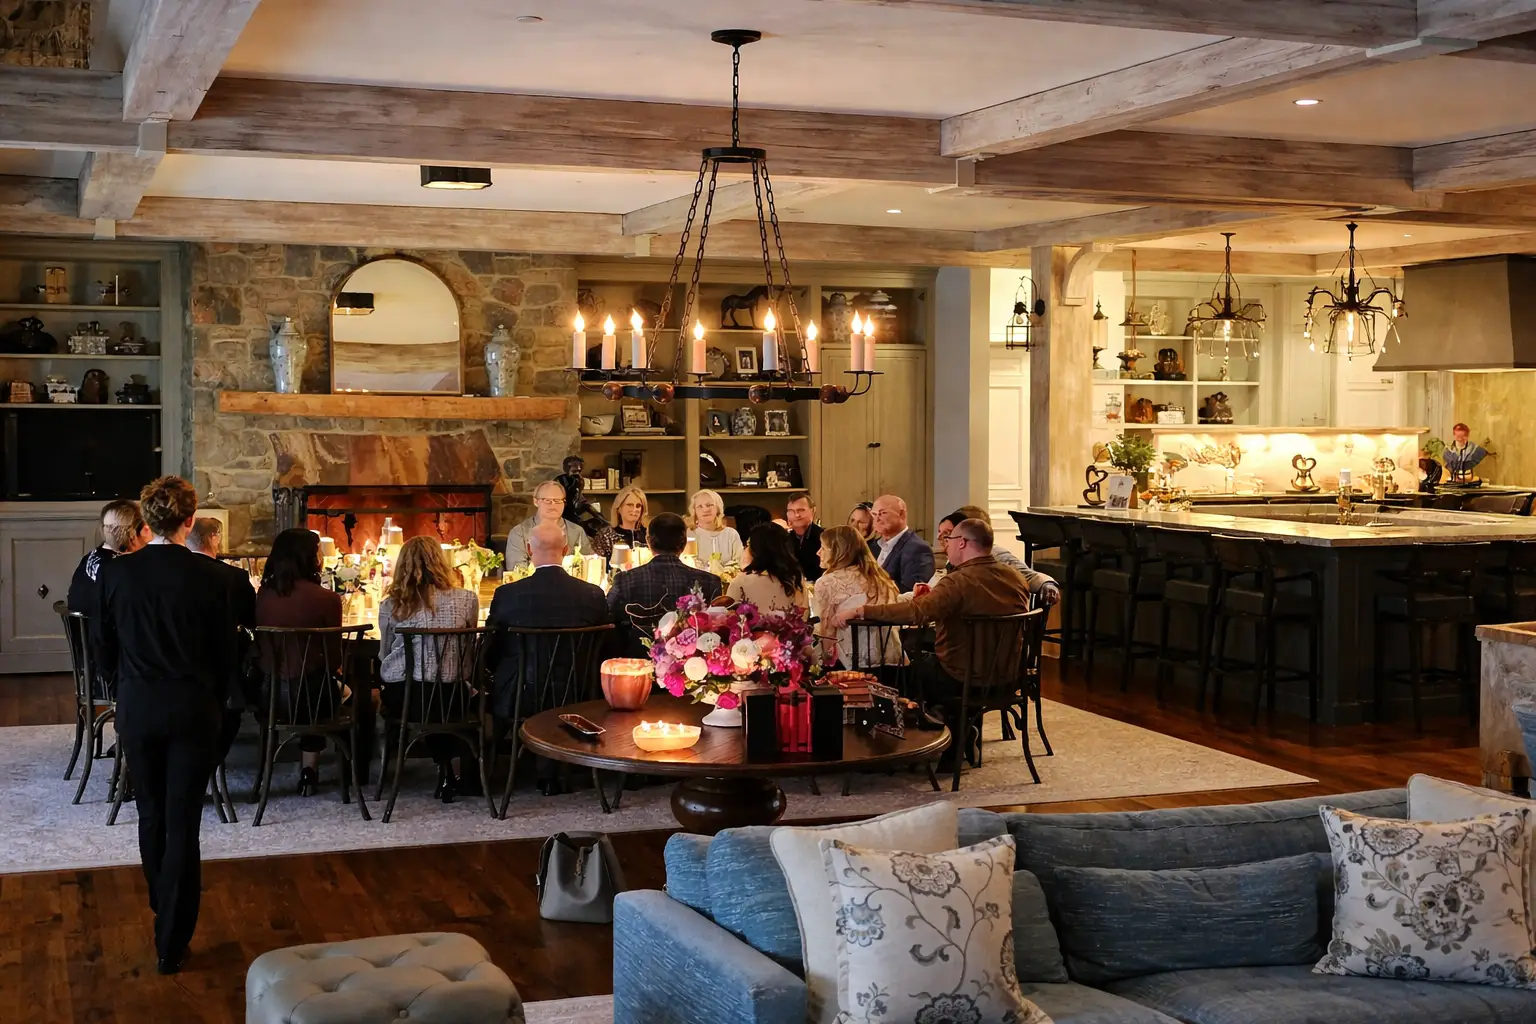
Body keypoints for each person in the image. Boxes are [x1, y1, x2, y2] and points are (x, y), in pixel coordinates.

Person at [96, 476, 236, 975]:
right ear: (190, 520)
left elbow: (104, 649)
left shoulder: (117, 574)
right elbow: (227, 657)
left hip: (138, 707)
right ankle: (171, 937)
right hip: (193, 708)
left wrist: (124, 686)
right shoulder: (215, 577)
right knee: (183, 820)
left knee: (151, 813)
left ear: (147, 520)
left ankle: (163, 906)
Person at [844, 518, 1031, 766]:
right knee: (927, 658)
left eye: (948, 539)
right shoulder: (1014, 577)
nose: (945, 546)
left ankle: (915, 744)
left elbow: (916, 612)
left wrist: (864, 611)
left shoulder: (958, 581)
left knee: (897, 671)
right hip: (1009, 678)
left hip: (962, 678)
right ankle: (959, 732)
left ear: (962, 543)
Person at [486, 521, 612, 795]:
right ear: (566, 550)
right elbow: (604, 649)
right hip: (578, 693)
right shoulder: (592, 595)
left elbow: (491, 649)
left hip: (520, 693)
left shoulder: (507, 595)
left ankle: (497, 766)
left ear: (529, 549)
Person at [378, 536, 481, 801]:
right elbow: (468, 649)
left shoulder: (391, 605)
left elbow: (384, 654)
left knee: (407, 694)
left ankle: (391, 771)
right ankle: (450, 770)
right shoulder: (467, 599)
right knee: (447, 700)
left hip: (408, 698)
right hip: (452, 695)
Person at [253, 529, 345, 797]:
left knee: (313, 687)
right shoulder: (328, 599)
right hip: (314, 697)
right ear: (310, 558)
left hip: (270, 696)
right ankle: (311, 771)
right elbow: (334, 660)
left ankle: (267, 771)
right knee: (333, 690)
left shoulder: (263, 596)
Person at [607, 512, 722, 656]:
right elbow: (718, 630)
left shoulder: (625, 580)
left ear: (649, 542)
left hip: (637, 661)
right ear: (684, 543)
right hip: (691, 663)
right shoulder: (710, 581)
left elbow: (607, 619)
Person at [812, 525, 903, 669]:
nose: (818, 552)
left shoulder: (827, 582)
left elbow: (827, 633)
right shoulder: (882, 580)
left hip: (851, 666)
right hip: (893, 663)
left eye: (823, 548)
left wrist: (824, 664)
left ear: (839, 552)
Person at [933, 506, 1059, 607]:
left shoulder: (994, 554)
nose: (942, 538)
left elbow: (1028, 574)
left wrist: (1046, 584)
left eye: (949, 532)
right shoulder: (956, 557)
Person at [68, 498, 151, 626]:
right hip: (108, 636)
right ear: (133, 533)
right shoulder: (124, 568)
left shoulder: (89, 558)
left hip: (84, 636)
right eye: (147, 529)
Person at [505, 480, 592, 572]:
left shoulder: (577, 531)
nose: (553, 505)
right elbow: (516, 568)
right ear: (535, 501)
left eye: (557, 500)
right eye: (547, 500)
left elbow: (588, 565)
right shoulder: (519, 533)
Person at [725, 522, 808, 613]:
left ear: (755, 550)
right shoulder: (796, 579)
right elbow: (803, 615)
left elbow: (729, 618)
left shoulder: (741, 582)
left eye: (749, 545)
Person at [867, 494, 935, 593]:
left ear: (902, 514)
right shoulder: (872, 546)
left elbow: (912, 593)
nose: (877, 519)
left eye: (883, 513)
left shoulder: (918, 548)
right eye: (874, 514)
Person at [688, 489, 743, 567]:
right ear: (694, 511)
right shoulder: (690, 535)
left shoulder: (731, 534)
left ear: (718, 508)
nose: (705, 509)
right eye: (700, 506)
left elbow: (739, 562)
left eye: (709, 505)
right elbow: (689, 564)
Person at [784, 494, 824, 583]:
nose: (796, 515)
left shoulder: (824, 537)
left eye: (801, 510)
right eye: (791, 511)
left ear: (813, 511)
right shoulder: (783, 538)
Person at [607, 484, 649, 562]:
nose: (634, 509)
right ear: (619, 508)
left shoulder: (649, 535)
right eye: (630, 505)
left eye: (638, 506)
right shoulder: (608, 536)